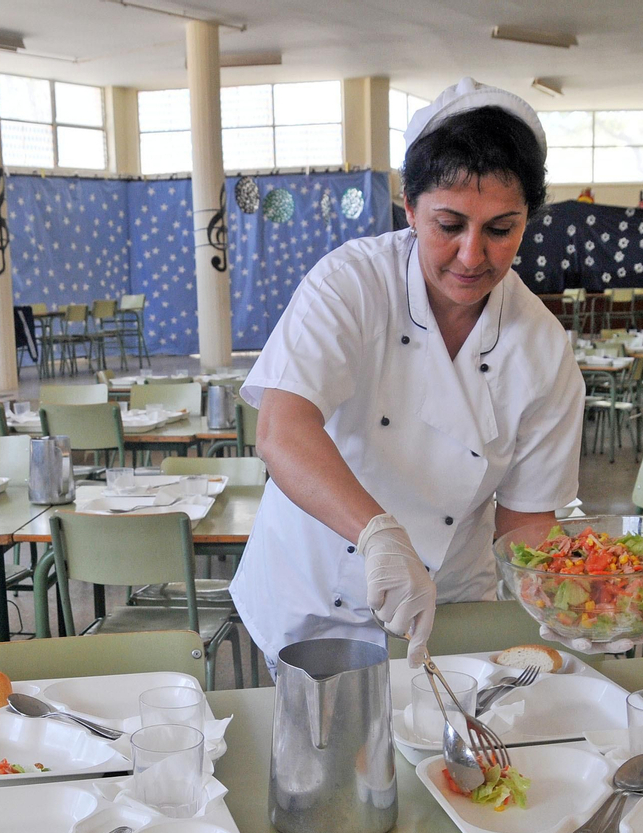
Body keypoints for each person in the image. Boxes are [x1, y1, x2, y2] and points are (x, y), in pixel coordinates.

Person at [229, 78, 585, 667]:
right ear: (409, 207)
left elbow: (524, 522)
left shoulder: (542, 348)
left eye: (501, 230)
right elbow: (282, 430)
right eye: (450, 225)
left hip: (449, 607)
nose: (473, 256)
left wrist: (576, 598)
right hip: (313, 599)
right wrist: (378, 535)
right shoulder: (352, 282)